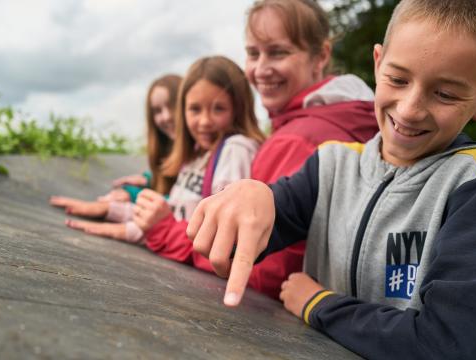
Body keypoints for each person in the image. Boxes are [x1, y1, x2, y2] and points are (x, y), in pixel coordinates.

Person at [187, 0, 476, 358]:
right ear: (377, 64)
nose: (409, 110)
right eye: (397, 78)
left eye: (445, 94)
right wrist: (249, 198)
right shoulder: (331, 162)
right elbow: (252, 235)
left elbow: (451, 345)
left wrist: (317, 303)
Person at [146, 0, 379, 299]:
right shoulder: (345, 115)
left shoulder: (297, 139)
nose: (261, 69)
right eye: (253, 53)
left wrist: (163, 231)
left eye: (278, 52)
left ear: (320, 56)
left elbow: (263, 267)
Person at [69, 56, 264, 244]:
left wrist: (128, 228)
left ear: (238, 108)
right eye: (195, 109)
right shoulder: (197, 153)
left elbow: (216, 232)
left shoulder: (235, 149)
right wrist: (113, 210)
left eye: (218, 108)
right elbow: (178, 211)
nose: (205, 121)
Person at [49, 74, 180, 233]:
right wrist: (147, 180)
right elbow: (174, 181)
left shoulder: (201, 154)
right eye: (157, 111)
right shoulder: (167, 149)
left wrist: (132, 197)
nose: (166, 117)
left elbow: (183, 203)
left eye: (172, 106)